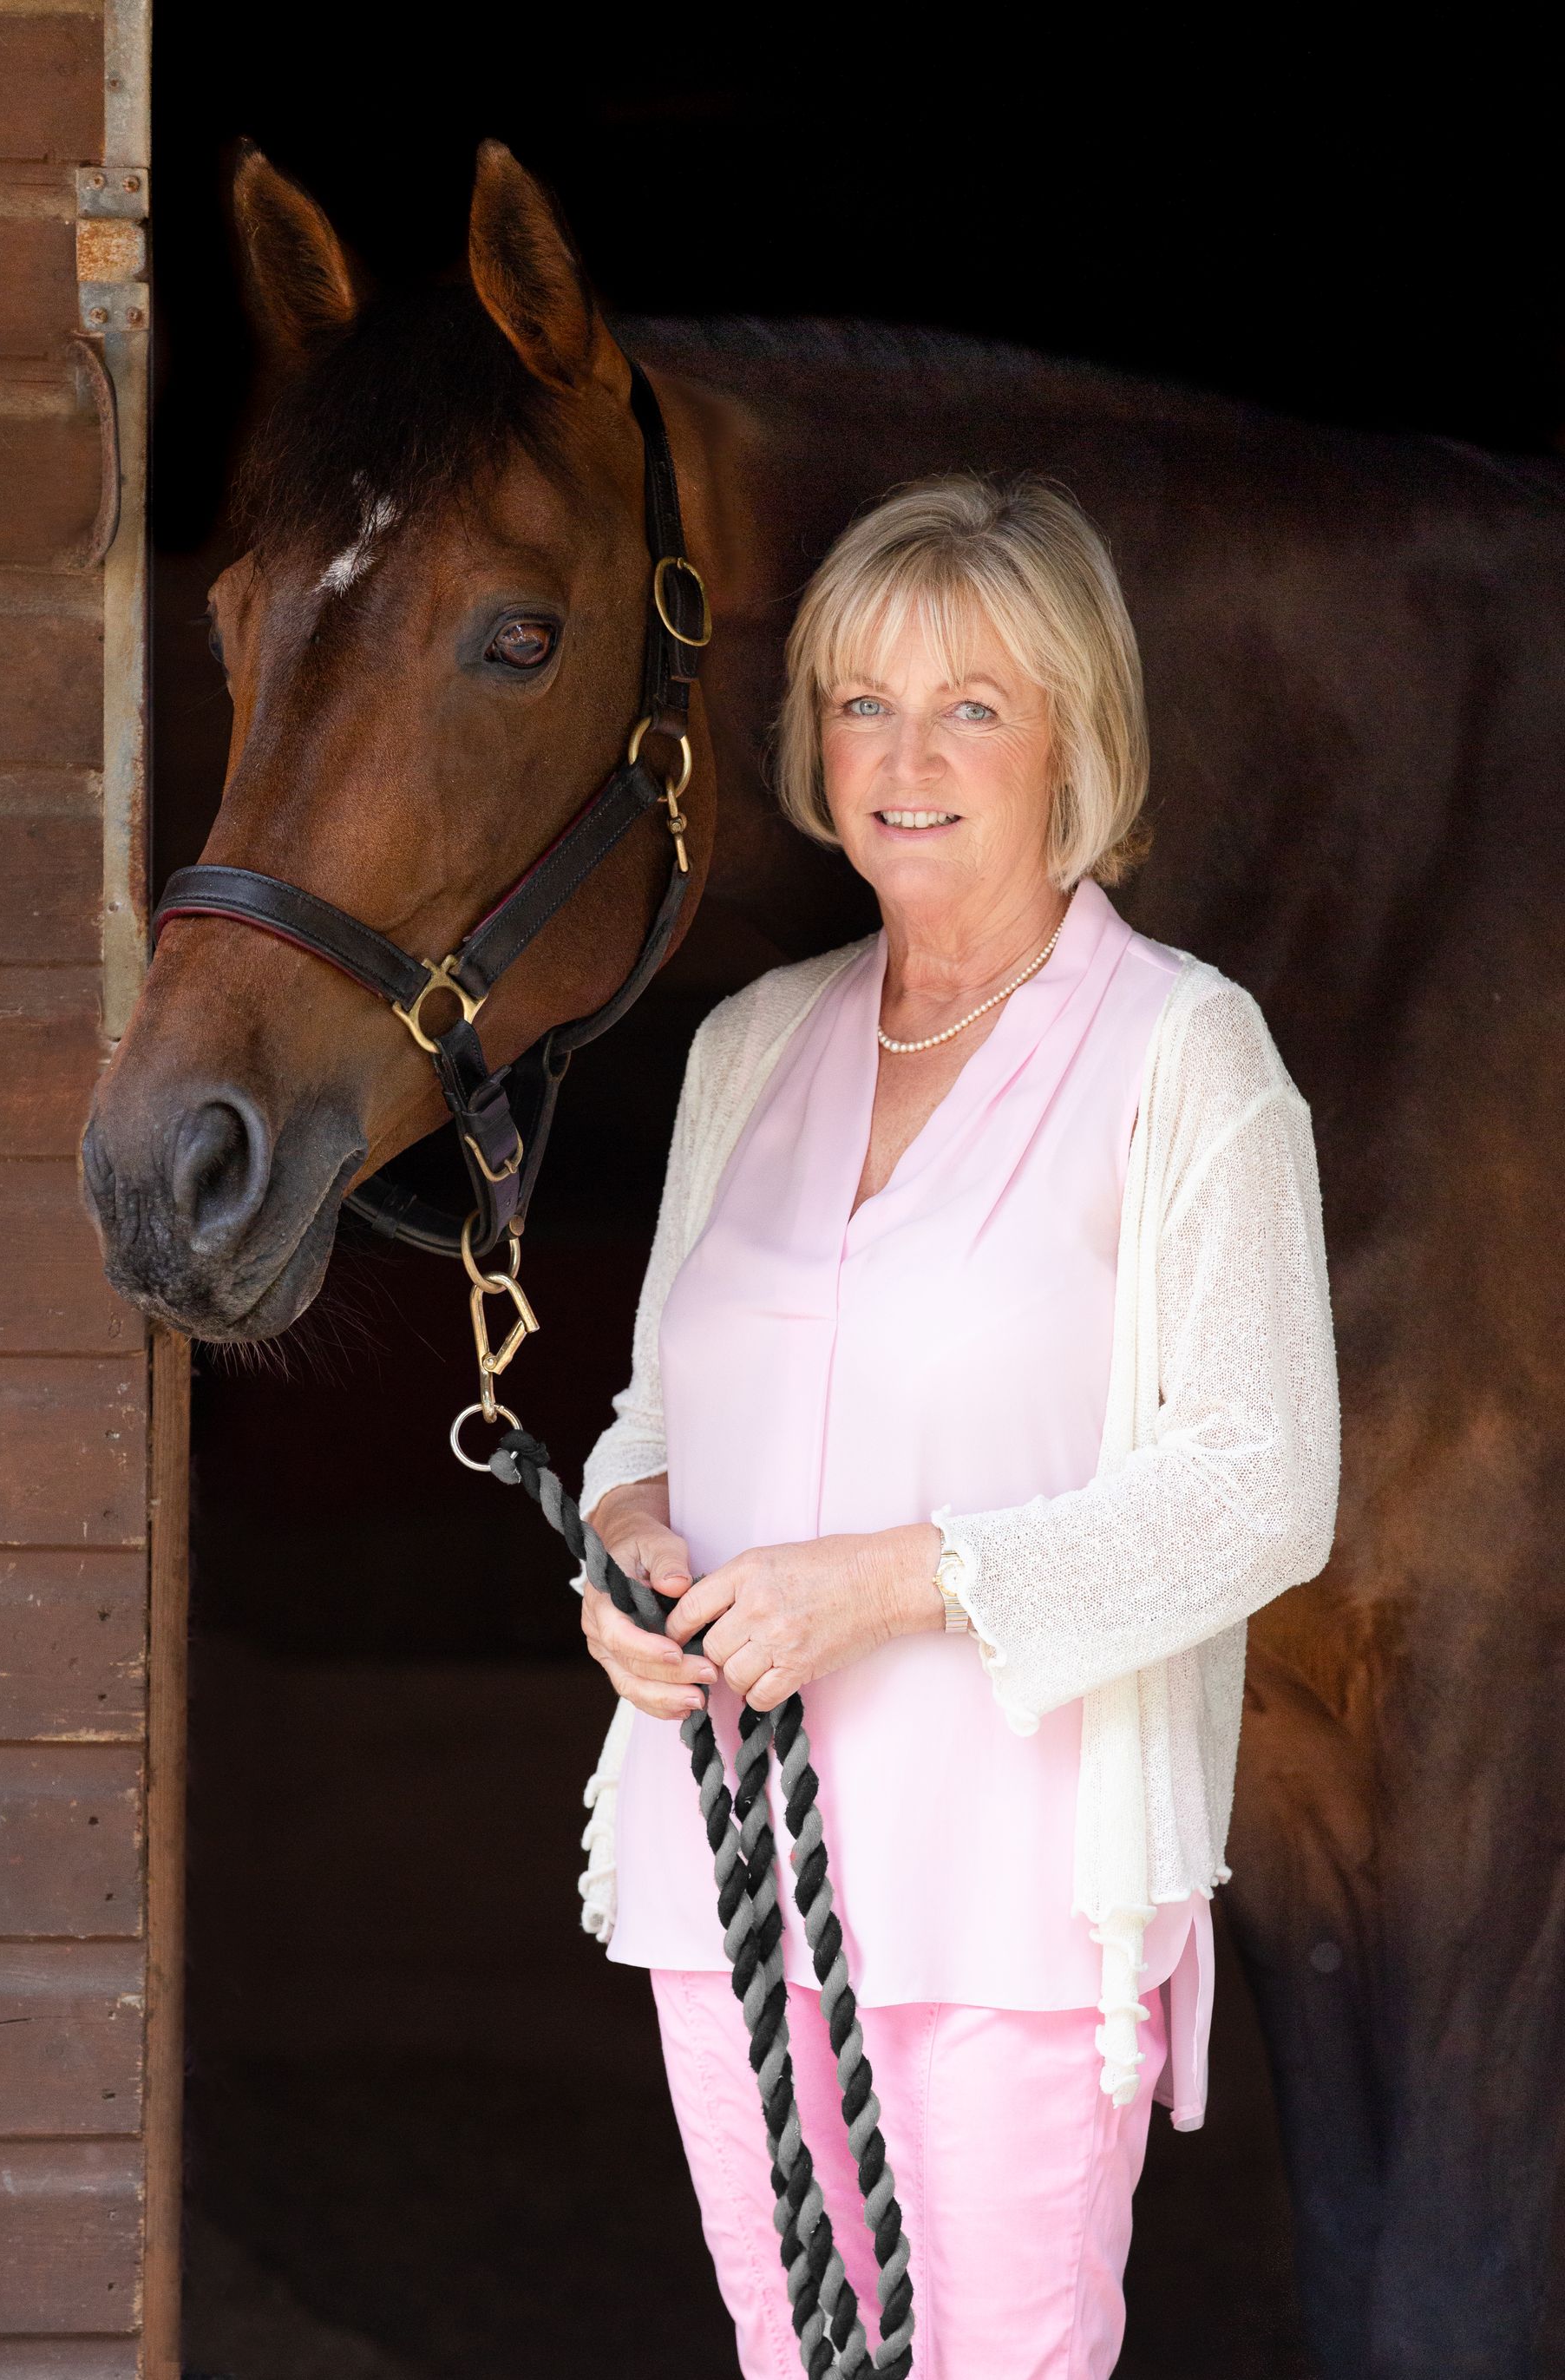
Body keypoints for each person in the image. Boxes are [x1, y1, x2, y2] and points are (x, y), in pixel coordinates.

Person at [573, 474, 1340, 2377]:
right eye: (861, 704)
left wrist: (900, 1582)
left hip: (1007, 1887)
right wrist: (622, 1547)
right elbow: (651, 1417)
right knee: (786, 2353)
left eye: (970, 706)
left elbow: (1263, 1488)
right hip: (733, 1873)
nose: (903, 757)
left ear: (1075, 739)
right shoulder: (751, 1045)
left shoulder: (1186, 1055)